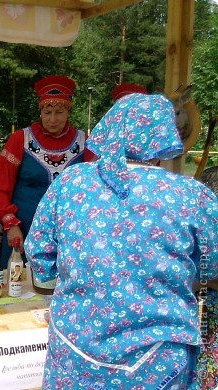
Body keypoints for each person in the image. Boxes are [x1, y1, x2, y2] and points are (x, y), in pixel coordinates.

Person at [24, 93, 218, 389]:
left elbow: (39, 254)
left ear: (111, 126)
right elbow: (211, 268)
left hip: (75, 351)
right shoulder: (192, 194)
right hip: (159, 360)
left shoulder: (71, 182)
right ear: (163, 135)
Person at [0, 75, 95, 267]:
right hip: (23, 231)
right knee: (18, 287)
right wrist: (10, 224)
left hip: (68, 234)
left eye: (59, 112)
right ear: (40, 111)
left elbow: (93, 191)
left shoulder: (84, 142)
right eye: (47, 112)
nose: (52, 119)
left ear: (68, 111)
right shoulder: (20, 139)